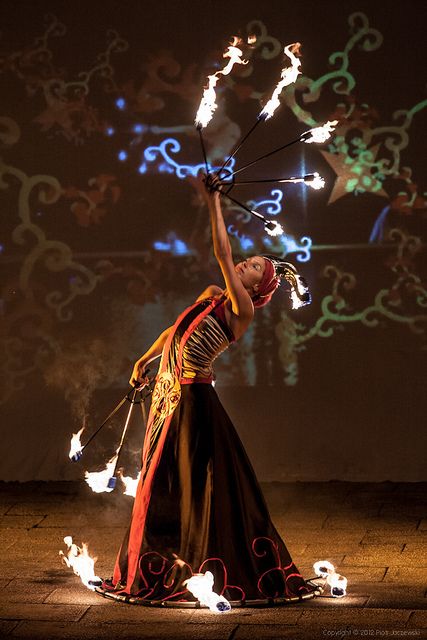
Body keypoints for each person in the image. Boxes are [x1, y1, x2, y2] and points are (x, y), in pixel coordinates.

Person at [99, 175, 317, 605]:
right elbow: (175, 331)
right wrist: (145, 360)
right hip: (168, 394)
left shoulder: (243, 310)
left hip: (193, 402)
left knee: (185, 482)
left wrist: (214, 200)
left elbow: (221, 251)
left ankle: (196, 564)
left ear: (259, 288)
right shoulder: (213, 294)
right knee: (162, 480)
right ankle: (162, 560)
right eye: (249, 261)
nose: (244, 265)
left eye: (254, 267)